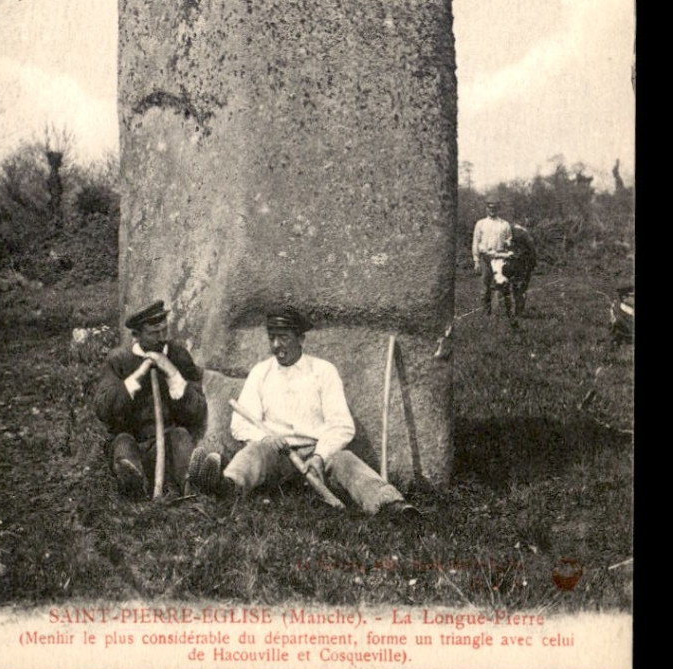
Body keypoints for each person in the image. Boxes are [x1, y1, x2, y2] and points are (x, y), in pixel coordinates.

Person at [188, 308, 420, 520]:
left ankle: (390, 504)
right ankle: (226, 488)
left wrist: (320, 456)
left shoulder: (323, 371)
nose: (277, 345)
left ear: (301, 339)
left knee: (346, 459)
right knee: (254, 450)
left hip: (316, 456)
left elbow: (341, 425)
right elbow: (240, 423)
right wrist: (265, 439)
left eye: (284, 337)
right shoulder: (261, 373)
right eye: (272, 337)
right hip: (276, 456)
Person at [95, 300, 207, 499]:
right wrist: (137, 376)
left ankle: (192, 484)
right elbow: (103, 410)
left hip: (166, 444)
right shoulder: (118, 360)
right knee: (123, 443)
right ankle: (134, 485)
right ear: (136, 336)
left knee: (181, 436)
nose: (162, 338)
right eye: (154, 333)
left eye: (164, 330)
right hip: (133, 442)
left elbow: (197, 411)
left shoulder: (178, 355)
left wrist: (172, 373)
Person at [472, 198, 513, 319]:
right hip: (485, 258)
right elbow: (475, 242)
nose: (492, 210)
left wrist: (508, 250)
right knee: (485, 287)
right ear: (486, 208)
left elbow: (509, 241)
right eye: (490, 207)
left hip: (500, 259)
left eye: (494, 207)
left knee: (499, 286)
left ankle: (497, 314)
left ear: (498, 208)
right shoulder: (481, 224)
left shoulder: (504, 224)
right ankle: (486, 314)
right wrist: (476, 260)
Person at [509, 223, 537, 316]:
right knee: (516, 287)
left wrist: (532, 263)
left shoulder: (520, 232)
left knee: (519, 287)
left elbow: (531, 249)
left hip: (522, 262)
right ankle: (514, 310)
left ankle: (518, 310)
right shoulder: (504, 230)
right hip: (514, 263)